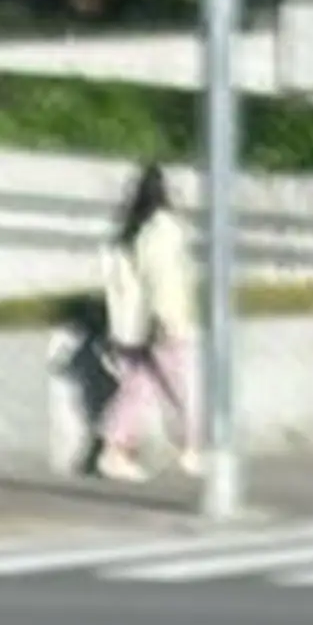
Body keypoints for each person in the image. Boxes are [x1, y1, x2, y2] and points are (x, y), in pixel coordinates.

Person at [94, 159, 203, 481]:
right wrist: (170, 319)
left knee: (139, 388)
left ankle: (114, 450)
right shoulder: (162, 230)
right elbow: (163, 278)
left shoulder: (127, 233)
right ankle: (192, 449)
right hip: (161, 323)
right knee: (182, 388)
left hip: (131, 326)